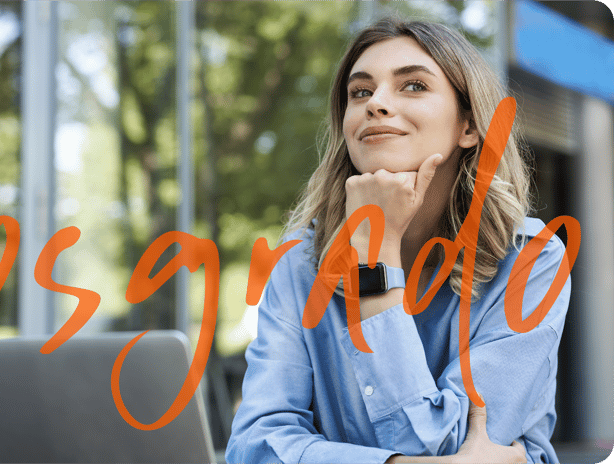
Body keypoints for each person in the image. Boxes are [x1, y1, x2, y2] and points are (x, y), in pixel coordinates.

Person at [226, 18, 569, 464]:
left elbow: (445, 441)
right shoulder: (299, 263)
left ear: (468, 126)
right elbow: (255, 447)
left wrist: (376, 257)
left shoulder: (531, 261)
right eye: (361, 92)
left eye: (412, 86)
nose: (377, 104)